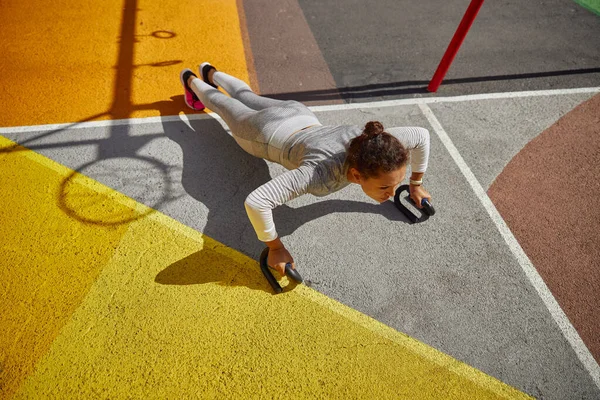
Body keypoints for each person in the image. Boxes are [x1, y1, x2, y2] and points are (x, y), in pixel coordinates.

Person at [179, 63, 432, 276]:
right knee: (222, 105)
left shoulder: (375, 141)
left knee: (246, 96)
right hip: (261, 133)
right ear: (356, 175)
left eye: (395, 184)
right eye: (385, 186)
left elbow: (420, 136)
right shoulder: (320, 174)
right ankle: (190, 79)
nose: (391, 193)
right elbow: (257, 202)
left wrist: (416, 183)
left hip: (296, 112)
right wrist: (275, 247)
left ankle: (209, 71)